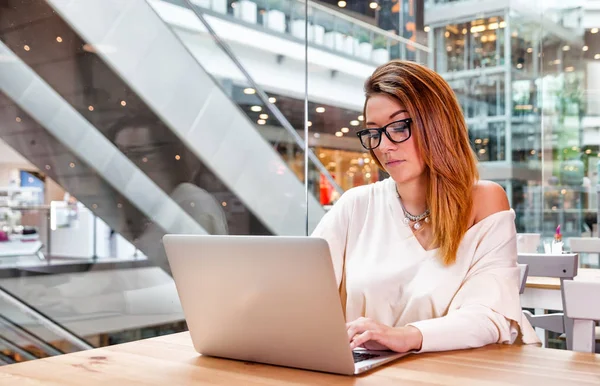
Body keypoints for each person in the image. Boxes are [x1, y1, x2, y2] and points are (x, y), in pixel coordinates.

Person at [311, 60, 539, 354]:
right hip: (369, 374)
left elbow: (490, 315)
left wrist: (407, 336)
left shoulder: (485, 201)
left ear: (438, 124)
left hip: (461, 374)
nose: (383, 146)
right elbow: (302, 293)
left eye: (399, 126)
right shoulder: (356, 205)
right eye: (374, 132)